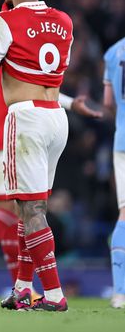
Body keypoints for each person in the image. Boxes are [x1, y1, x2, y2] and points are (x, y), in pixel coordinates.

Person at [0, 18, 101, 307]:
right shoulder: (10, 37)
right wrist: (69, 104)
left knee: (16, 211)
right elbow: (34, 82)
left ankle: (20, 287)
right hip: (1, 130)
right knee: (11, 209)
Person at [0, 0, 73, 311]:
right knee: (30, 206)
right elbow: (56, 70)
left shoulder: (4, 20)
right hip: (56, 118)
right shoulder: (64, 22)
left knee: (31, 209)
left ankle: (54, 294)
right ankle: (22, 288)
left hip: (26, 118)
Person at [104, 36, 125, 309]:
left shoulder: (112, 52)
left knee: (124, 213)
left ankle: (120, 292)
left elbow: (108, 102)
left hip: (122, 142)